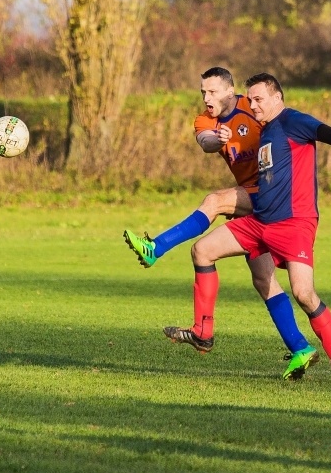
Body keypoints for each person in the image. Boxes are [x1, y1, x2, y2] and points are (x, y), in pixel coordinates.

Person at [169, 72, 331, 384]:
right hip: (258, 222)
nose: (253, 105)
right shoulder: (266, 130)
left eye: (259, 99)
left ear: (277, 98)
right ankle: (203, 331)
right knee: (202, 250)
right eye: (251, 99)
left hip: (294, 224)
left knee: (304, 293)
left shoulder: (293, 121)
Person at [124, 67, 319, 381]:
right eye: (203, 92)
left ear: (231, 92)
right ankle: (300, 347)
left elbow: (286, 128)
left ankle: (154, 248)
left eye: (213, 92)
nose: (207, 98)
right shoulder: (206, 120)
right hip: (254, 206)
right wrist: (217, 137)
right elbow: (205, 141)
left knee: (214, 201)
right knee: (262, 280)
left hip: (272, 195)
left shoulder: (252, 107)